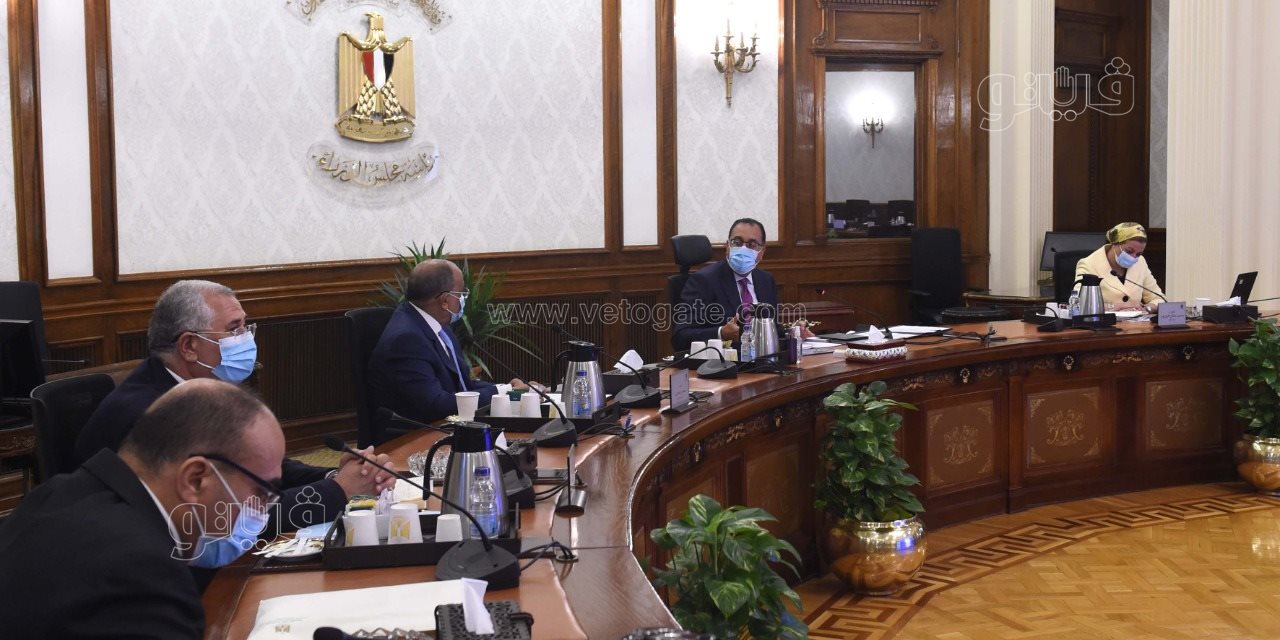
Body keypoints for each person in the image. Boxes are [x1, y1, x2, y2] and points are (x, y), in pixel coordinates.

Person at [74, 280, 394, 533]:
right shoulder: (152, 414)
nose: (245, 339)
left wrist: (338, 474)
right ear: (189, 346)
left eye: (245, 327)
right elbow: (225, 518)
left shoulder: (198, 388)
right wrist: (336, 491)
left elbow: (255, 471)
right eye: (233, 329)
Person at [0, 380, 283, 638]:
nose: (262, 509)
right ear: (196, 479)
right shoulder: (144, 574)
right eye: (261, 492)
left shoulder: (55, 493)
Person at [370, 260, 525, 427]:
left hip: (450, 424)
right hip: (418, 433)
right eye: (461, 294)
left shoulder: (439, 327)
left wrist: (508, 389)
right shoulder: (406, 340)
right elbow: (435, 405)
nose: (463, 299)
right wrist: (502, 392)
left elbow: (463, 384)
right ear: (445, 301)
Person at [673, 217, 783, 352]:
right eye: (737, 242)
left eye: (752, 244)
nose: (743, 249)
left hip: (764, 359)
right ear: (727, 247)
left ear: (762, 252)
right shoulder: (703, 281)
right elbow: (681, 336)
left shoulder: (766, 280)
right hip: (725, 361)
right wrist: (721, 333)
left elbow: (773, 329)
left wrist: (796, 333)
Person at [1075, 222, 1166, 311]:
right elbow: (1080, 303)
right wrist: (1119, 306)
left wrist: (1147, 308)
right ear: (1115, 244)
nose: (1133, 257)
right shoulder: (1089, 264)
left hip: (1137, 320)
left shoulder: (1140, 262)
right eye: (1129, 251)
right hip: (1104, 320)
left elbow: (1159, 298)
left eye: (1138, 254)